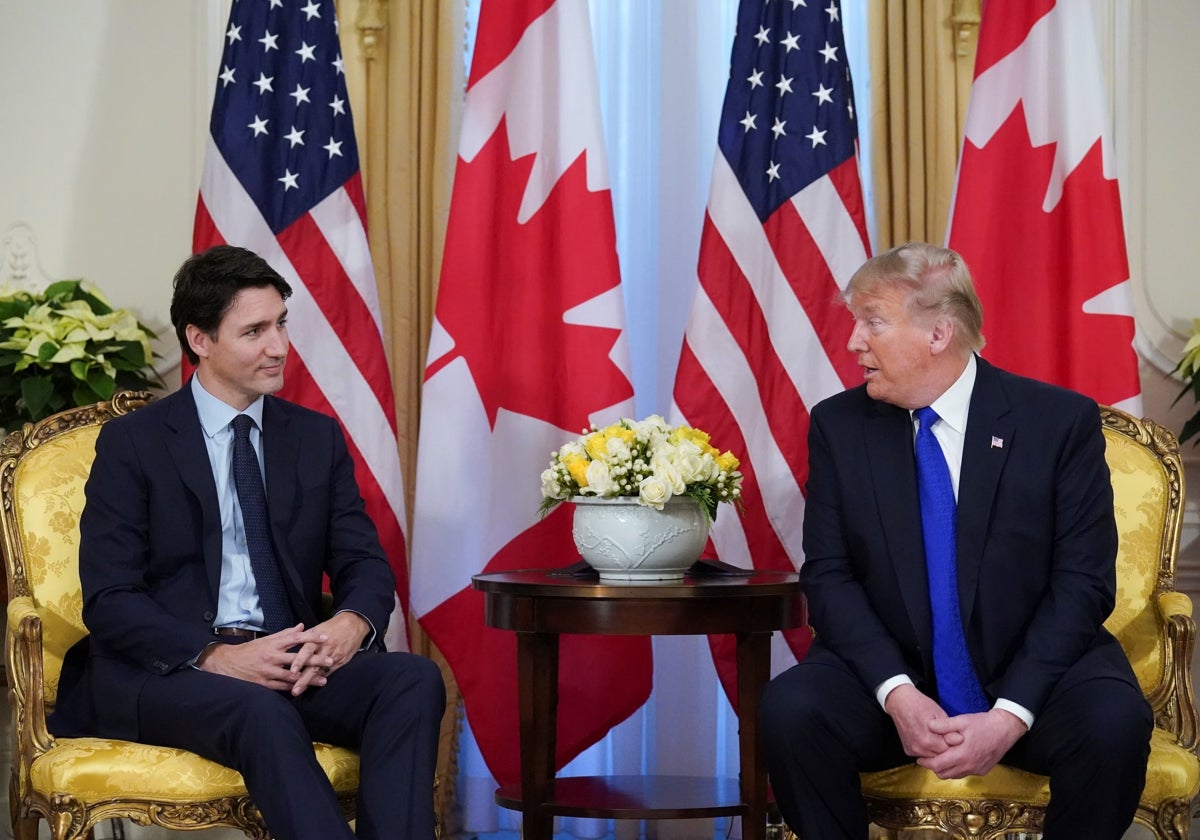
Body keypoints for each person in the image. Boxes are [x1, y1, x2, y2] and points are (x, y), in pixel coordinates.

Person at [51, 245, 446, 839]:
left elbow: (362, 560)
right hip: (176, 669)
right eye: (255, 330)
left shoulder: (314, 438)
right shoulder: (134, 444)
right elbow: (110, 598)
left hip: (290, 657)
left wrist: (350, 625)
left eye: (281, 323)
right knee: (258, 709)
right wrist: (219, 658)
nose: (279, 346)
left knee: (412, 680)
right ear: (201, 340)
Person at [760, 242, 1152, 839]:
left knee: (1113, 722)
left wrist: (1010, 715)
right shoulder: (840, 427)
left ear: (939, 333)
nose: (853, 343)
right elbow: (830, 575)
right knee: (792, 711)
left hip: (1032, 675)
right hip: (894, 678)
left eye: (873, 323)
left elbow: (1083, 583)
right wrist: (898, 694)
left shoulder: (1057, 424)